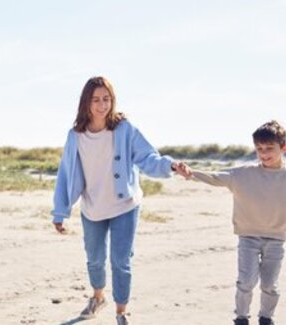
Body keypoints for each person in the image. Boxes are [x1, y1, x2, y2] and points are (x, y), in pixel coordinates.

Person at [50, 76, 190, 324]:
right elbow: (66, 173)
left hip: (125, 206)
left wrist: (171, 165)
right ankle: (98, 296)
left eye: (106, 99)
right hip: (93, 208)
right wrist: (60, 211)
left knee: (121, 261)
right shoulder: (76, 136)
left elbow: (148, 158)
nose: (102, 105)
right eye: (96, 100)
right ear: (86, 103)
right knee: (94, 259)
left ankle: (121, 312)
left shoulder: (125, 129)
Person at [187, 120, 286, 325]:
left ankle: (266, 318)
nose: (264, 153)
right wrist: (190, 173)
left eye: (269, 148)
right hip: (248, 237)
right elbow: (216, 177)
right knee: (246, 282)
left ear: (284, 147)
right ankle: (241, 318)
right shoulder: (243, 174)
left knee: (270, 284)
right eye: (259, 149)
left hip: (276, 239)